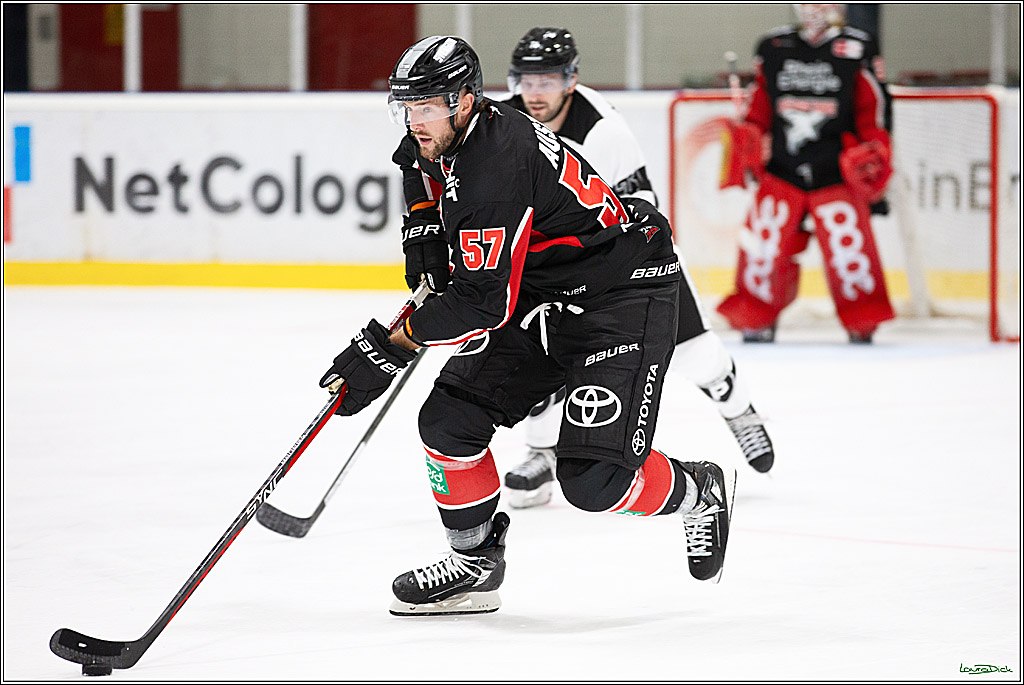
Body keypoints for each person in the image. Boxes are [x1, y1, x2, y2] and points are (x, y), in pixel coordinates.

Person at [319, 35, 735, 616]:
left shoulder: (495, 163)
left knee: (593, 482)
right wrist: (422, 232)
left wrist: (391, 345)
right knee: (449, 421)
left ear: (465, 100)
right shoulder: (443, 130)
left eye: (426, 107)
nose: (415, 121)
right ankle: (475, 565)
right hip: (548, 293)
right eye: (407, 107)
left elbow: (483, 304)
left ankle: (698, 492)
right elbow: (417, 173)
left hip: (620, 297)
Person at [500, 27, 775, 510]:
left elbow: (639, 217)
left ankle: (737, 407)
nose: (535, 92)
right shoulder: (505, 123)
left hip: (633, 260)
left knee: (694, 353)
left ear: (571, 80)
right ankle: (542, 451)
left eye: (547, 81)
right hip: (552, 264)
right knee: (541, 361)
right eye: (527, 80)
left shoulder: (604, 131)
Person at [717, 3, 895, 343]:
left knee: (849, 247)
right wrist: (749, 137)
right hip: (782, 169)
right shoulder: (772, 46)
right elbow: (760, 106)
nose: (813, 7)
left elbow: (873, 110)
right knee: (763, 245)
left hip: (837, 172)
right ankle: (755, 314)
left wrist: (875, 149)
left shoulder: (858, 46)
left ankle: (863, 318)